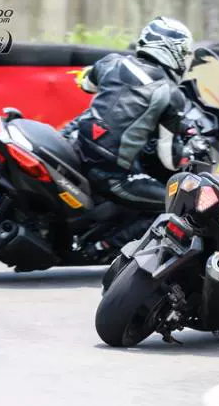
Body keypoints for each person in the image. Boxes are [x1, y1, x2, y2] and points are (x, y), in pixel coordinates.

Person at [63, 16, 210, 258]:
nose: (185, 59)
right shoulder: (170, 93)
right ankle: (101, 248)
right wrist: (186, 153)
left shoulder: (111, 62)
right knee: (172, 206)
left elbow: (87, 84)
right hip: (110, 173)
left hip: (77, 146)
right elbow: (168, 159)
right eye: (184, 53)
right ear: (170, 50)